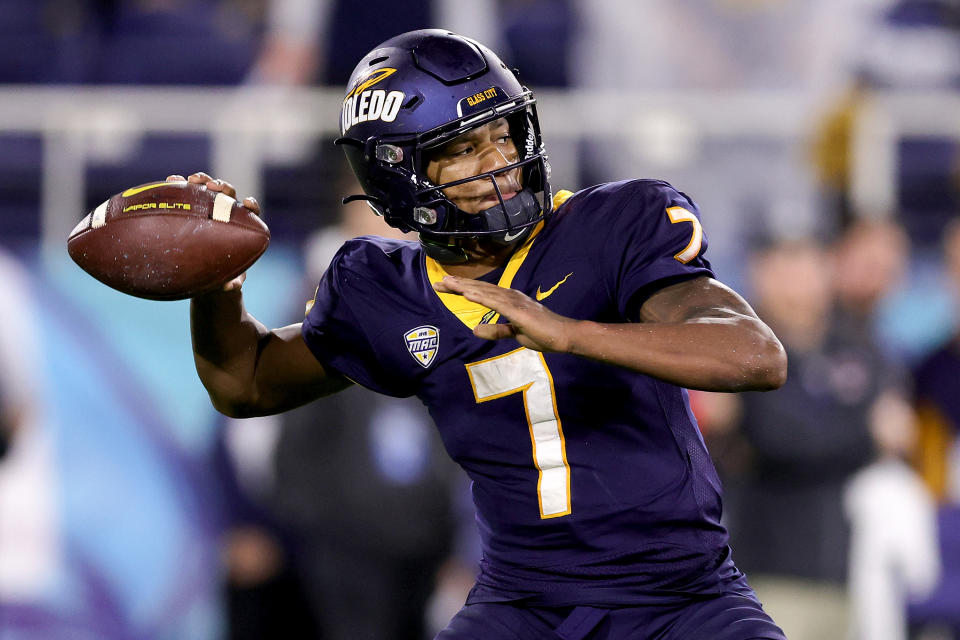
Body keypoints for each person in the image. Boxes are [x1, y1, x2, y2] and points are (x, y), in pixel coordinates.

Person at [177, 29, 788, 639]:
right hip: (521, 606)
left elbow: (756, 356)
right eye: (464, 148)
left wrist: (573, 333)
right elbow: (245, 384)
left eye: (504, 133)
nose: (501, 162)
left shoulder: (616, 223)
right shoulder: (381, 288)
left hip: (684, 597)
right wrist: (214, 287)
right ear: (397, 174)